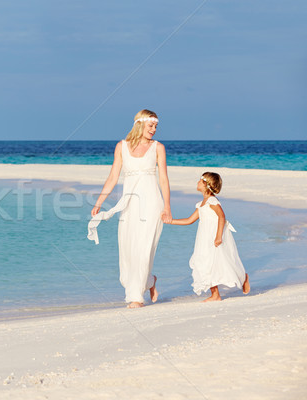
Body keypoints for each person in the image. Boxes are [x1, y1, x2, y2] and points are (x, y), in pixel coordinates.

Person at [89, 109, 172, 308]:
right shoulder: (122, 147)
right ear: (140, 124)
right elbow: (112, 177)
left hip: (152, 203)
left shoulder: (158, 148)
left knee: (144, 248)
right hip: (129, 205)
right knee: (128, 249)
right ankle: (150, 281)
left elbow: (163, 179)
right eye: (150, 125)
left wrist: (167, 206)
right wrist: (99, 202)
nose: (154, 130)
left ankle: (136, 297)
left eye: (156, 126)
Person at [166, 172, 250, 302]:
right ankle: (215, 294)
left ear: (206, 185)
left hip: (214, 235)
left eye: (200, 181)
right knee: (205, 263)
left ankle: (243, 277)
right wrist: (170, 221)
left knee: (224, 261)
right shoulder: (201, 204)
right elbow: (189, 220)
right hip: (203, 238)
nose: (197, 183)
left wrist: (218, 236)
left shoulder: (212, 201)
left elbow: (222, 217)